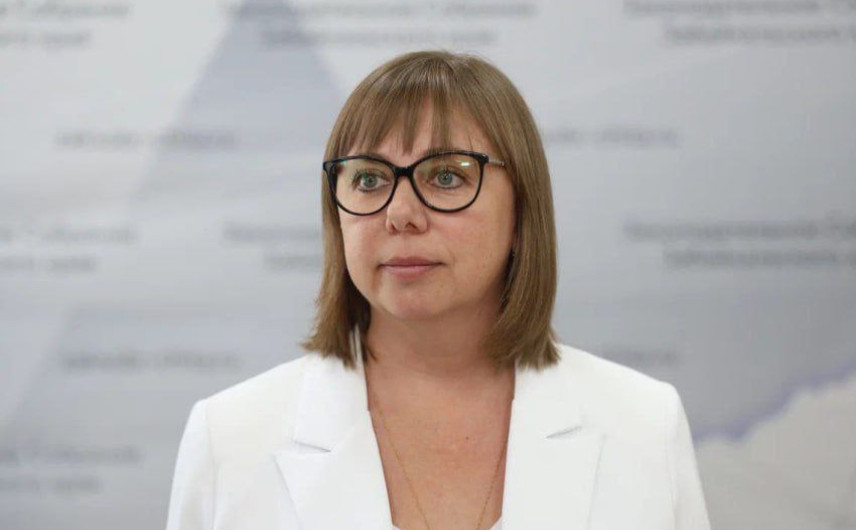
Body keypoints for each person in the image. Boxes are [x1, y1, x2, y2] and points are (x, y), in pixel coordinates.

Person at [165, 50, 711, 530]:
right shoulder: (229, 439)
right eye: (369, 179)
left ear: (522, 214)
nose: (400, 213)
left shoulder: (645, 424)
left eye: (446, 176)